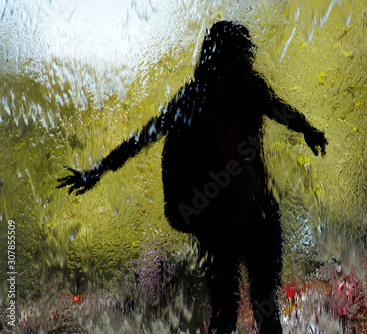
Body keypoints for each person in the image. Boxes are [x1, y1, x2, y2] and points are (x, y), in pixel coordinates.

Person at [58, 20, 327, 333]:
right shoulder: (200, 96)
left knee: (251, 308)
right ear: (230, 57)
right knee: (236, 310)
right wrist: (97, 172)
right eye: (240, 55)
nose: (245, 60)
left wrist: (308, 129)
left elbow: (281, 111)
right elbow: (145, 136)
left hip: (248, 212)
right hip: (221, 216)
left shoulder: (246, 88)